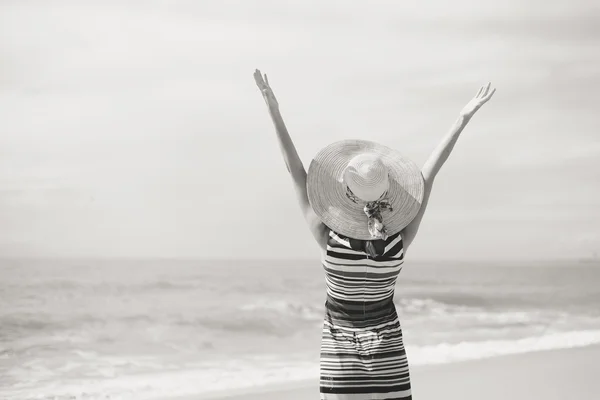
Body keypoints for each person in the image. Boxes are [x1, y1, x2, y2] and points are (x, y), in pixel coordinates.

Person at [253, 69, 495, 400]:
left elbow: (295, 171)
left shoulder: (328, 237)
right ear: (387, 191)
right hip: (388, 356)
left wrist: (274, 111)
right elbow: (430, 172)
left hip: (341, 358)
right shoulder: (398, 239)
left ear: (345, 193)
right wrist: (462, 119)